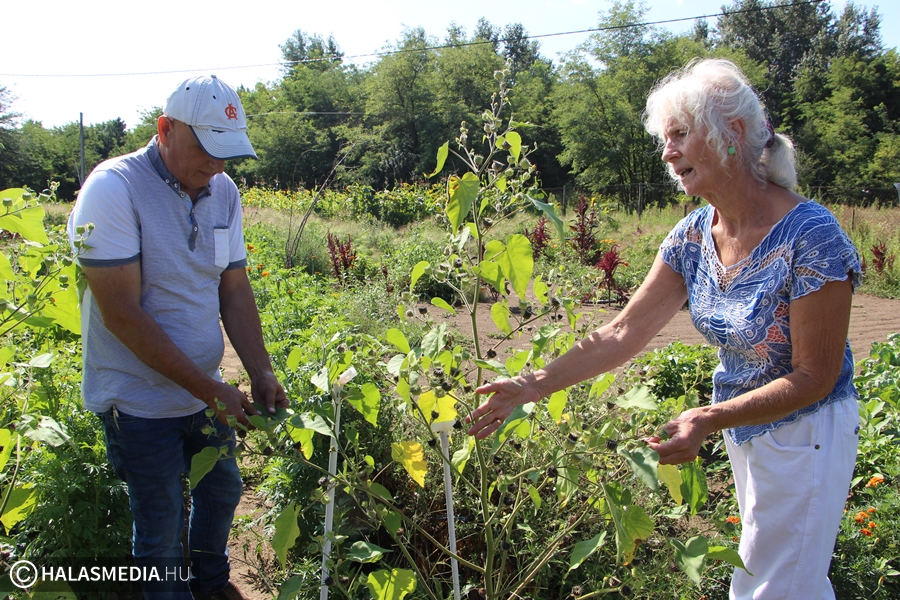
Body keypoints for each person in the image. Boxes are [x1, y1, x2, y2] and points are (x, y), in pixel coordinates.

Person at [467, 58, 861, 600]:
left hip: (807, 429)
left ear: (733, 135)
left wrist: (708, 416)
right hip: (747, 429)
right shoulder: (695, 234)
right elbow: (622, 332)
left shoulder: (809, 234)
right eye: (664, 138)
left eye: (680, 134)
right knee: (787, 578)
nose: (667, 152)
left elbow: (816, 375)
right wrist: (533, 385)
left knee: (775, 587)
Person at [67, 75, 288, 600]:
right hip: (138, 402)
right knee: (161, 520)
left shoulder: (223, 191)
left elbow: (233, 288)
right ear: (164, 129)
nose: (215, 165)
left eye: (226, 154)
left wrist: (259, 369)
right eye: (206, 150)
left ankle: (211, 585)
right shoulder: (113, 189)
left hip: (202, 390)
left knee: (223, 489)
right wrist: (211, 390)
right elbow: (121, 313)